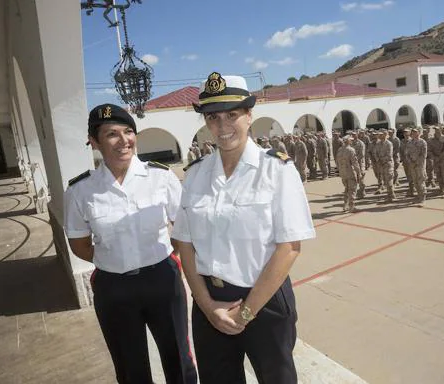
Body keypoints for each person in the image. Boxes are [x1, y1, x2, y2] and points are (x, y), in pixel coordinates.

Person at [172, 72, 316, 384]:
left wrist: (246, 313)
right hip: (210, 301)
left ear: (249, 115)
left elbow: (290, 247)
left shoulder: (277, 169)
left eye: (232, 115)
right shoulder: (196, 176)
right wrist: (208, 307)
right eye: (213, 117)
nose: (222, 126)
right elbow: (184, 244)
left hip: (263, 300)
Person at [64, 104, 197, 384]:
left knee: (179, 358)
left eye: (128, 132)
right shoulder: (80, 191)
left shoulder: (160, 177)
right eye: (112, 134)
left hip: (162, 279)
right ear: (94, 141)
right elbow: (79, 245)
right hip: (114, 288)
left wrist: (160, 254)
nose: (124, 141)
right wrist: (115, 258)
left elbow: (183, 229)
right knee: (129, 366)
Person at [337, 135, 361, 212]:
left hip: (343, 173)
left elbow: (338, 162)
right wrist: (359, 173)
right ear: (348, 141)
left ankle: (345, 205)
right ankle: (351, 206)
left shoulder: (340, 149)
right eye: (350, 140)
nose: (352, 141)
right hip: (350, 172)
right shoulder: (351, 150)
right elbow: (355, 163)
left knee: (346, 189)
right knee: (352, 189)